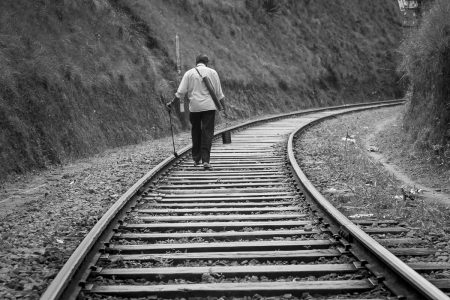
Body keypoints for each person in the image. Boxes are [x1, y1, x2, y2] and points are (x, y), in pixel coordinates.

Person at [167, 54, 226, 170]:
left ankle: (196, 159)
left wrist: (171, 103)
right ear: (207, 62)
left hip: (194, 107)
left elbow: (180, 93)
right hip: (209, 107)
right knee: (207, 132)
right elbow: (219, 94)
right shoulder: (212, 72)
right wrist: (224, 108)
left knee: (196, 131)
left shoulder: (189, 73)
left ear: (196, 62)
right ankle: (206, 160)